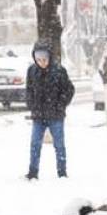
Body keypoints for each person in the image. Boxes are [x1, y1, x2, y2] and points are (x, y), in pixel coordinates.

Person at [25, 40, 75, 180]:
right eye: (38, 59)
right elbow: (29, 90)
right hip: (38, 116)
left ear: (49, 57)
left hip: (56, 116)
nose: (42, 62)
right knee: (35, 144)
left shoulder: (59, 71)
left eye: (44, 59)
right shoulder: (32, 71)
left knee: (59, 145)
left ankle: (62, 173)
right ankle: (33, 173)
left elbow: (69, 90)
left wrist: (61, 105)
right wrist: (32, 105)